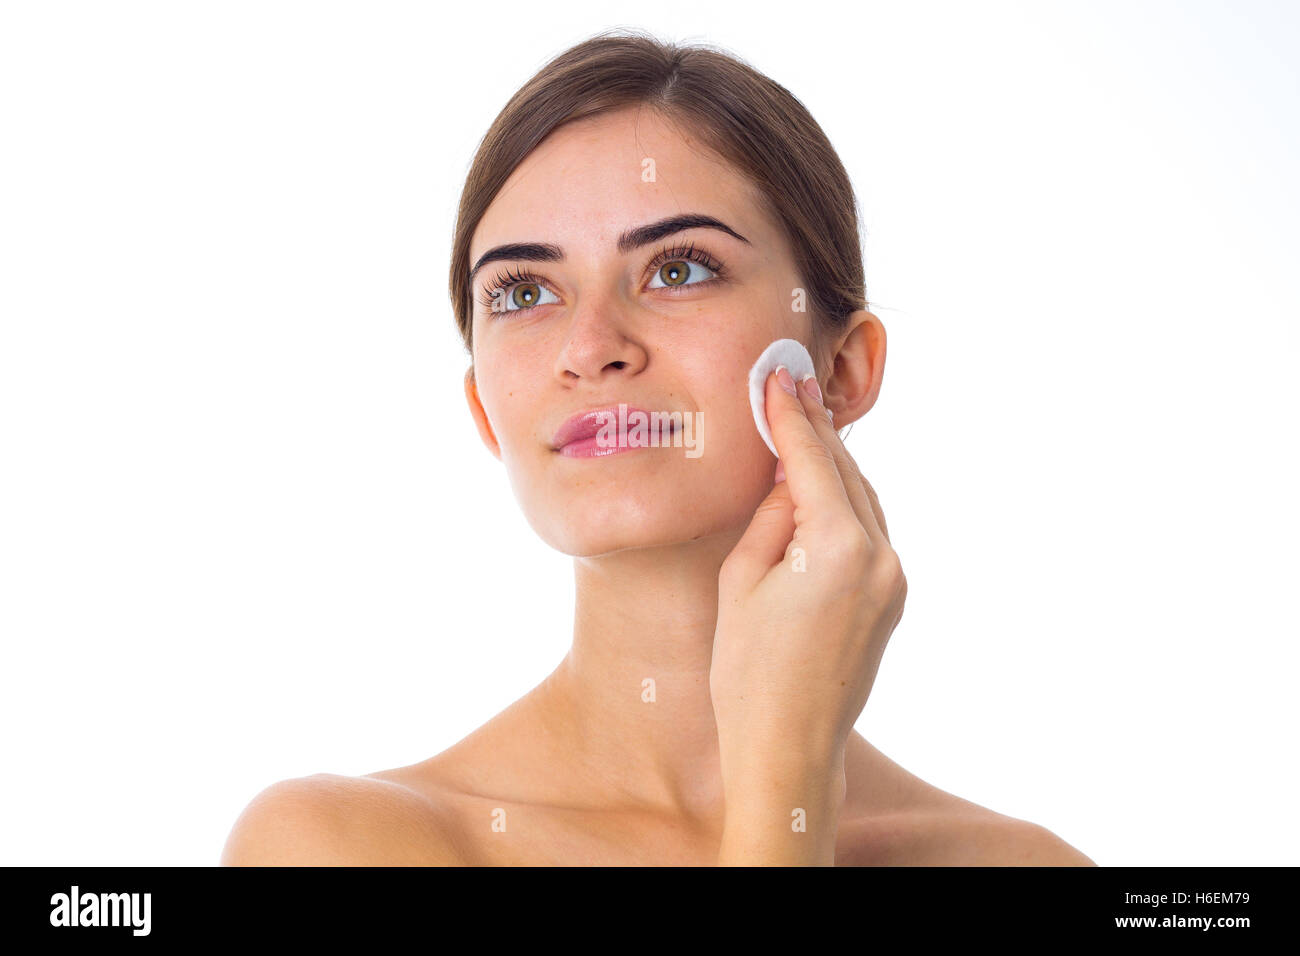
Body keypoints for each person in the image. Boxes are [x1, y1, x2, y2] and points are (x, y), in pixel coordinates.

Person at [222, 28, 1095, 866]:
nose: (590, 345)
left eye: (678, 269)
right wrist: (782, 779)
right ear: (487, 411)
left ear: (840, 369)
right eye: (525, 291)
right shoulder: (331, 846)